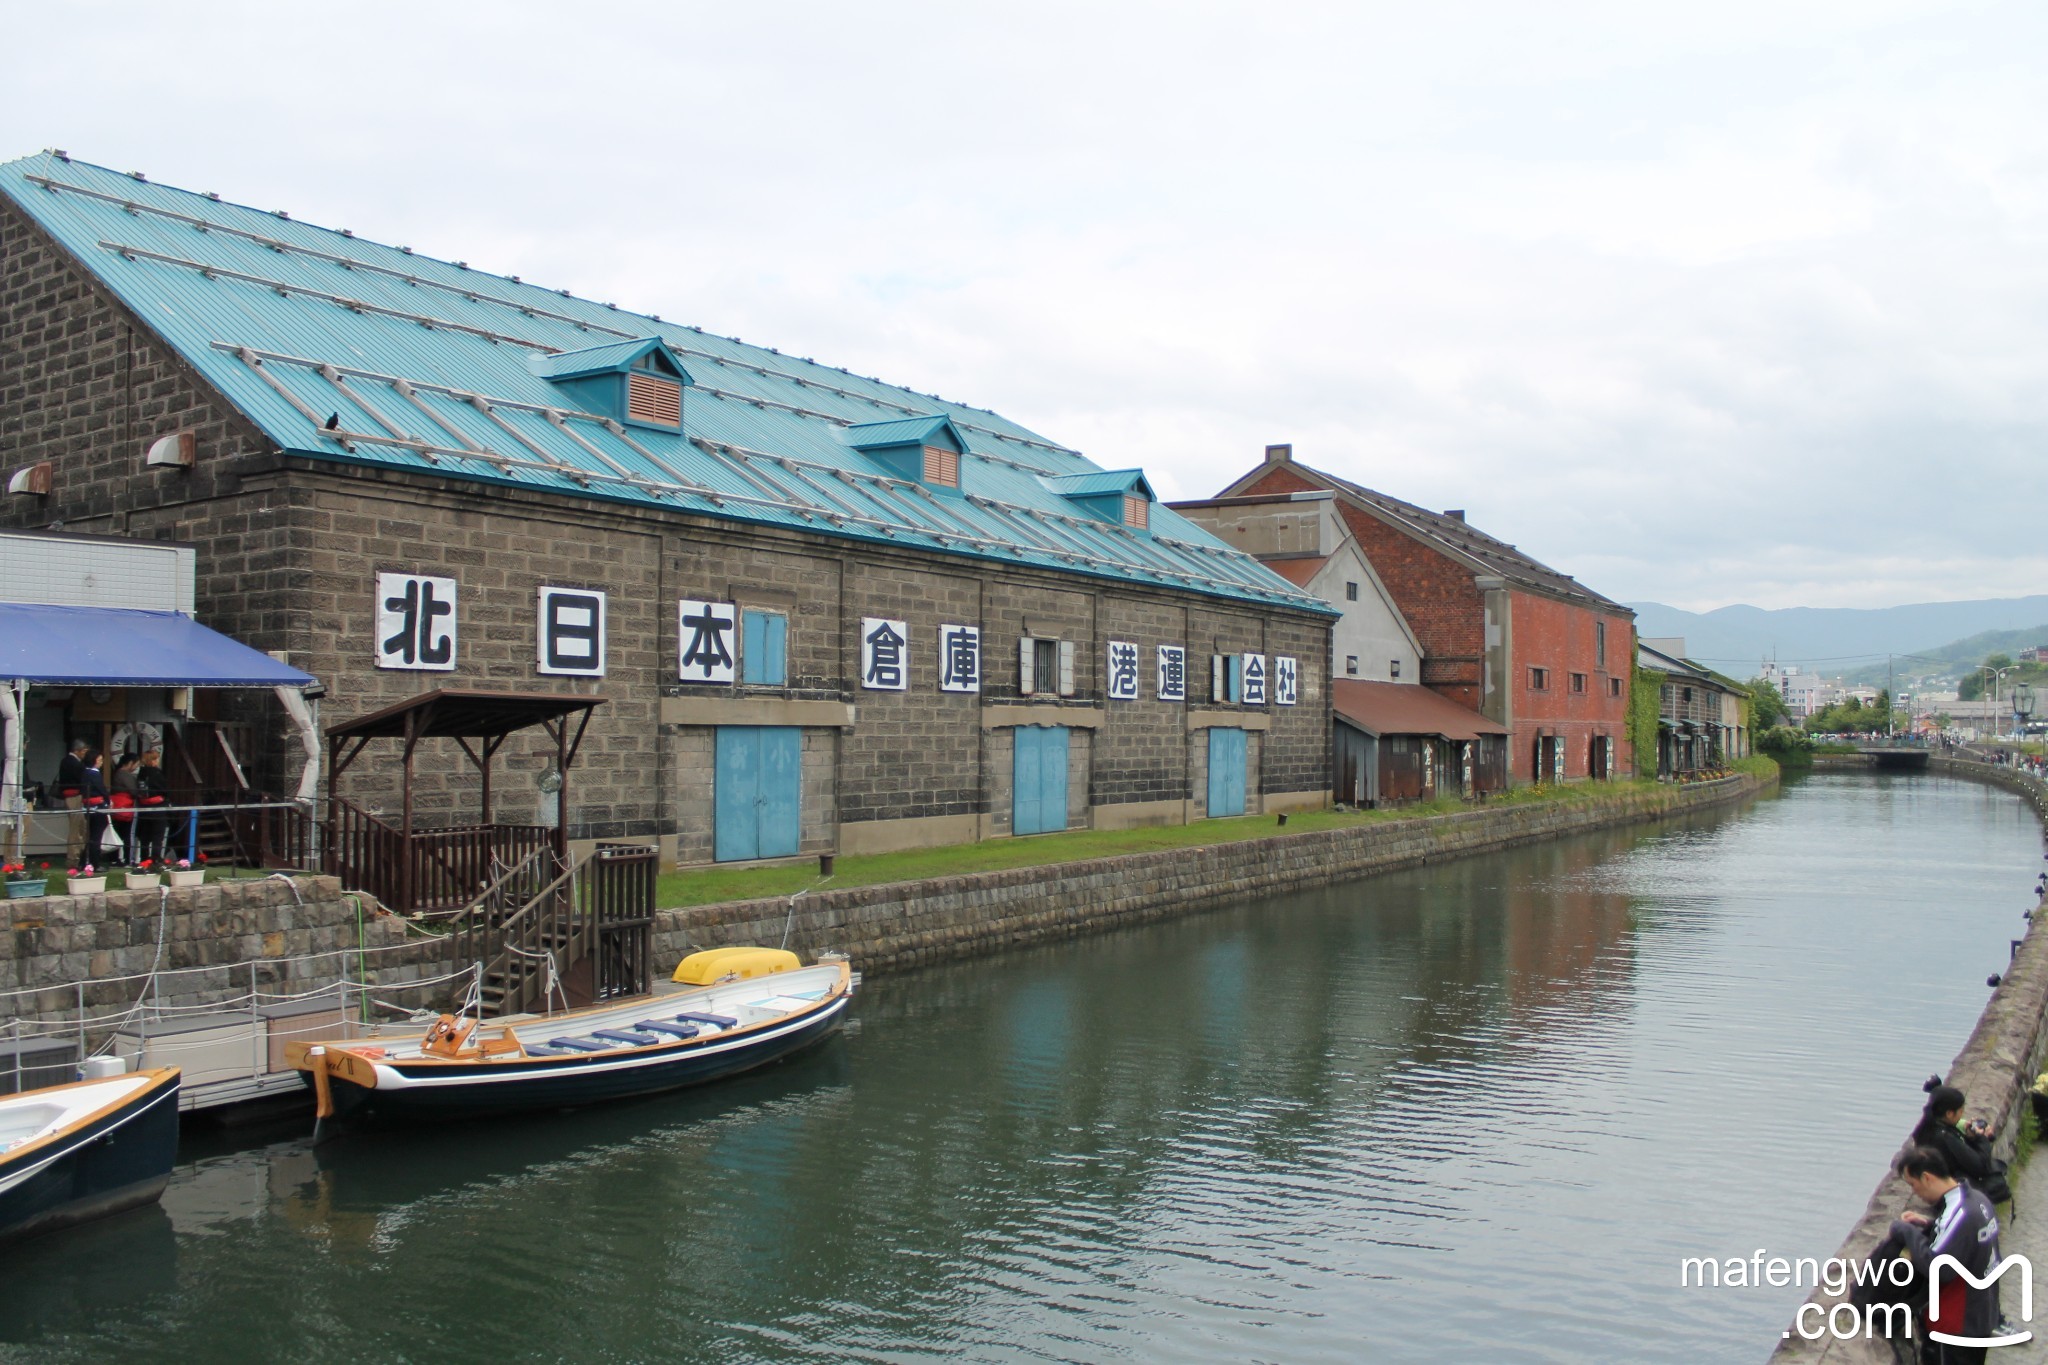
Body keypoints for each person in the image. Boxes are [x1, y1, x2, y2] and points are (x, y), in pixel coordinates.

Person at [1891, 1145, 2004, 1364]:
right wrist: (1931, 1226)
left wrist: (1905, 1231)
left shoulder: (1960, 1214)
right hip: (1981, 1314)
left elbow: (1939, 1268)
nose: (1915, 1193)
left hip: (1957, 1323)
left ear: (1927, 1178)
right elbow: (1965, 1241)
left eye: (1913, 1185)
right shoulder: (1977, 1200)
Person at [1913, 1078, 2011, 1204]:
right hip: (1954, 1195)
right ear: (1949, 1114)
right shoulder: (1945, 1136)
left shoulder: (1927, 1130)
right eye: (1960, 1111)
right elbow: (1980, 1167)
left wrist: (1970, 1137)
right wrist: (1982, 1139)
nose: (1962, 1115)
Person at [53, 737, 90, 866]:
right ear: (77, 750)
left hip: (71, 796)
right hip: (74, 797)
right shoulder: (74, 763)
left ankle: (77, 854)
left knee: (79, 827)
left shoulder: (66, 761)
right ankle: (73, 857)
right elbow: (82, 779)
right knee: (76, 828)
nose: (85, 754)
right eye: (83, 751)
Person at [135, 750, 170, 866]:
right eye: (156, 758)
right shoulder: (157, 773)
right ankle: (155, 858)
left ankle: (144, 858)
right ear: (153, 760)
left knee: (144, 836)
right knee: (157, 835)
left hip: (144, 807)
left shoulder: (141, 773)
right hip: (157, 806)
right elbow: (164, 790)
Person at [78, 750, 110, 870]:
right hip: (98, 807)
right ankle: (95, 863)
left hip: (88, 807)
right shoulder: (94, 773)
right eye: (100, 760)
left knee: (91, 836)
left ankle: (83, 861)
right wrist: (107, 800)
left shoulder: (85, 773)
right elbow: (102, 790)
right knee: (96, 836)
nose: (101, 763)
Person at [109, 754, 141, 867]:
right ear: (130, 763)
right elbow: (134, 791)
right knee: (128, 833)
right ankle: (127, 859)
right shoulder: (125, 775)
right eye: (136, 764)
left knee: (118, 832)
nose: (137, 766)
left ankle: (116, 858)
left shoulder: (117, 773)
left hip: (117, 807)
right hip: (126, 807)